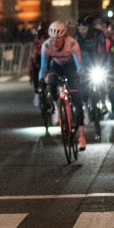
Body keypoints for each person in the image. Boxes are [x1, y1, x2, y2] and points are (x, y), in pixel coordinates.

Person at [40, 21, 86, 150]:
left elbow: (79, 65)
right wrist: (41, 79)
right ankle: (56, 106)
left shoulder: (72, 44)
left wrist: (79, 76)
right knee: (51, 83)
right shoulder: (47, 45)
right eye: (54, 39)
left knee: (77, 100)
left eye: (59, 39)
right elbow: (44, 66)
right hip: (57, 66)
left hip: (71, 67)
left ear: (64, 37)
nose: (56, 42)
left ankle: (81, 137)